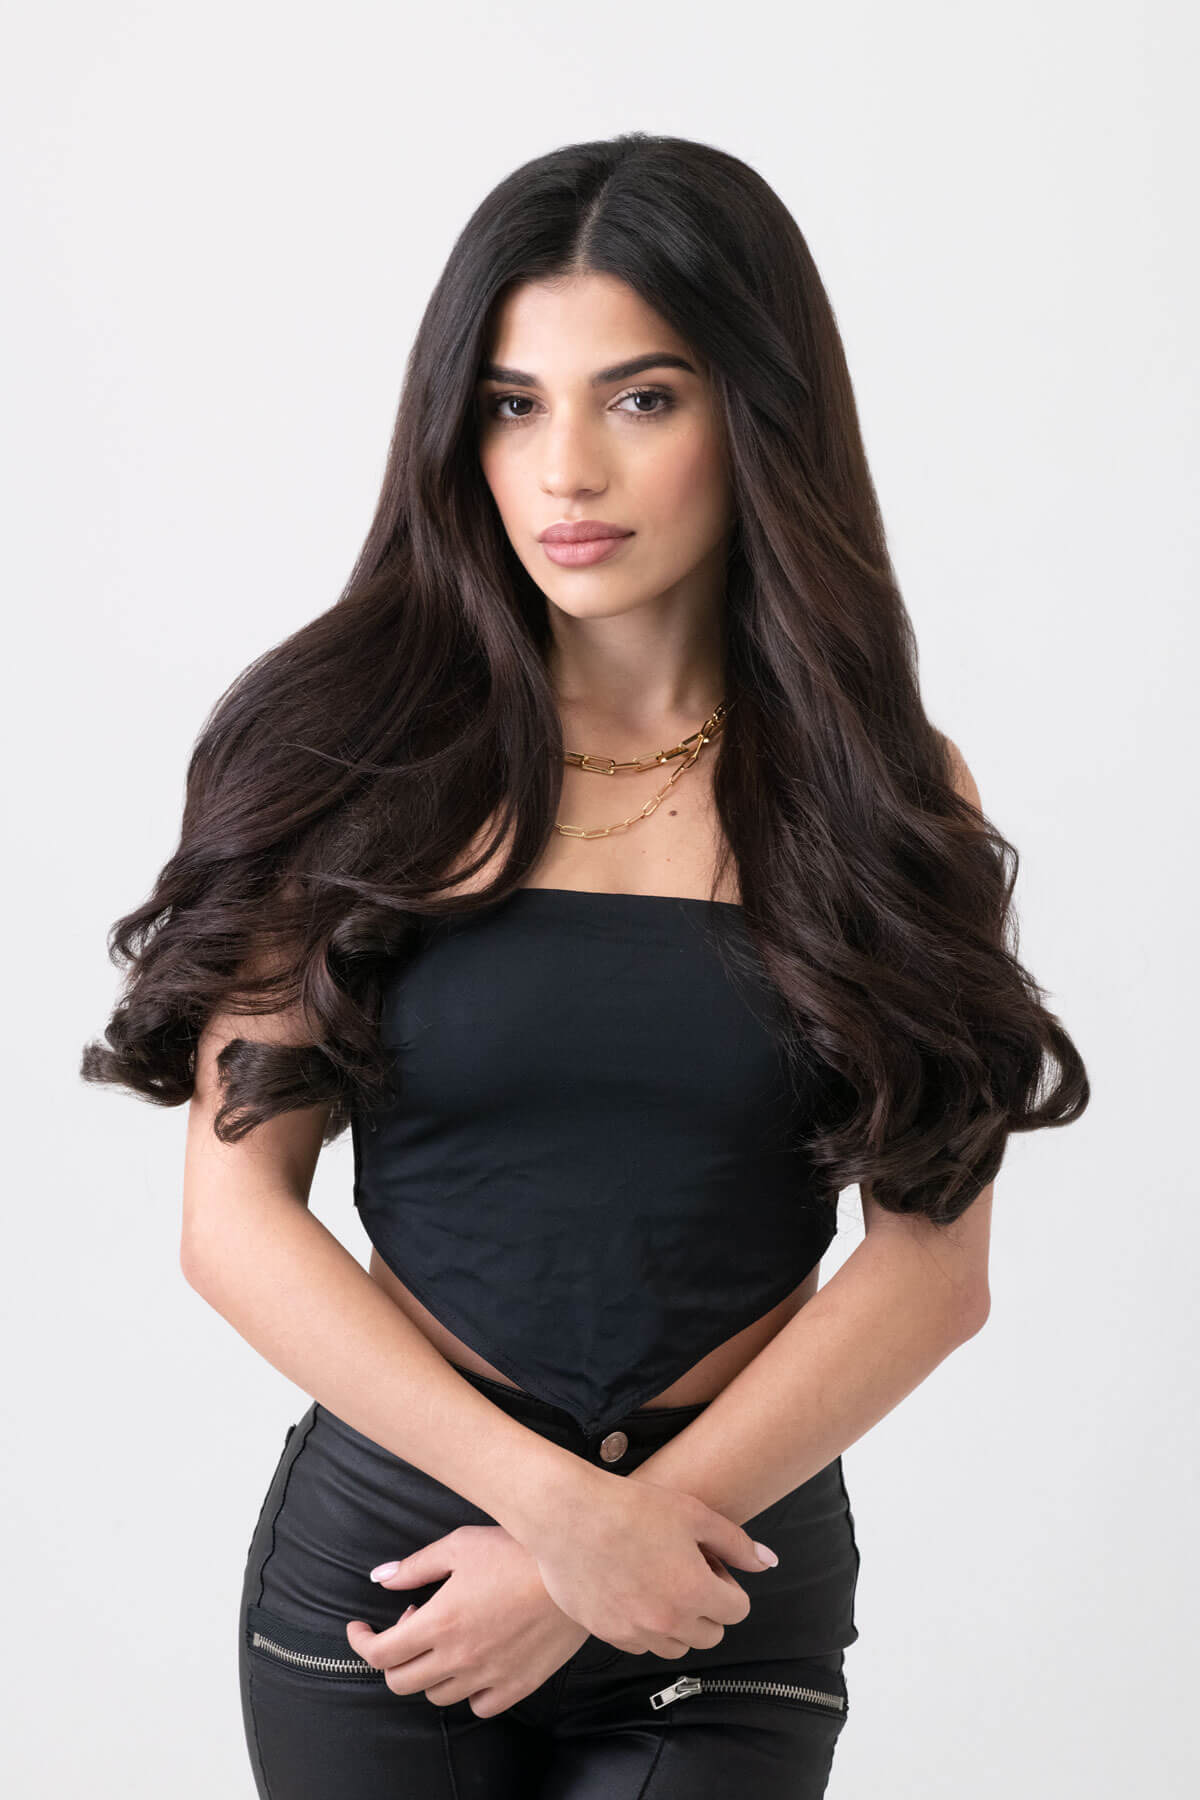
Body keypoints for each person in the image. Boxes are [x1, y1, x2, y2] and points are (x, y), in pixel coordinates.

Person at [81, 131, 1089, 1798]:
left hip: (727, 1587)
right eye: (510, 402)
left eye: (640, 399)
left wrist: (619, 1554)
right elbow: (233, 1217)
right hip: (395, 1594)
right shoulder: (346, 750)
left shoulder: (890, 792)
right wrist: (558, 1524)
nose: (566, 472)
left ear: (755, 416)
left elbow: (933, 1271)